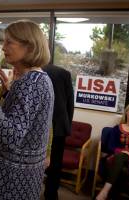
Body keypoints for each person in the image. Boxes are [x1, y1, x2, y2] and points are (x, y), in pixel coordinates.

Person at [0, 20, 54, 200]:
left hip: (12, 179)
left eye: (9, 42)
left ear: (29, 46)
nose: (3, 47)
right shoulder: (40, 78)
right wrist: (11, 92)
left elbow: (11, 136)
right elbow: (27, 120)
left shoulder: (30, 84)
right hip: (25, 177)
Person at [43, 64, 74, 200]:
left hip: (38, 124)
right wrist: (67, 124)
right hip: (59, 125)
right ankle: (51, 195)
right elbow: (70, 103)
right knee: (55, 164)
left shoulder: (30, 70)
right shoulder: (64, 73)